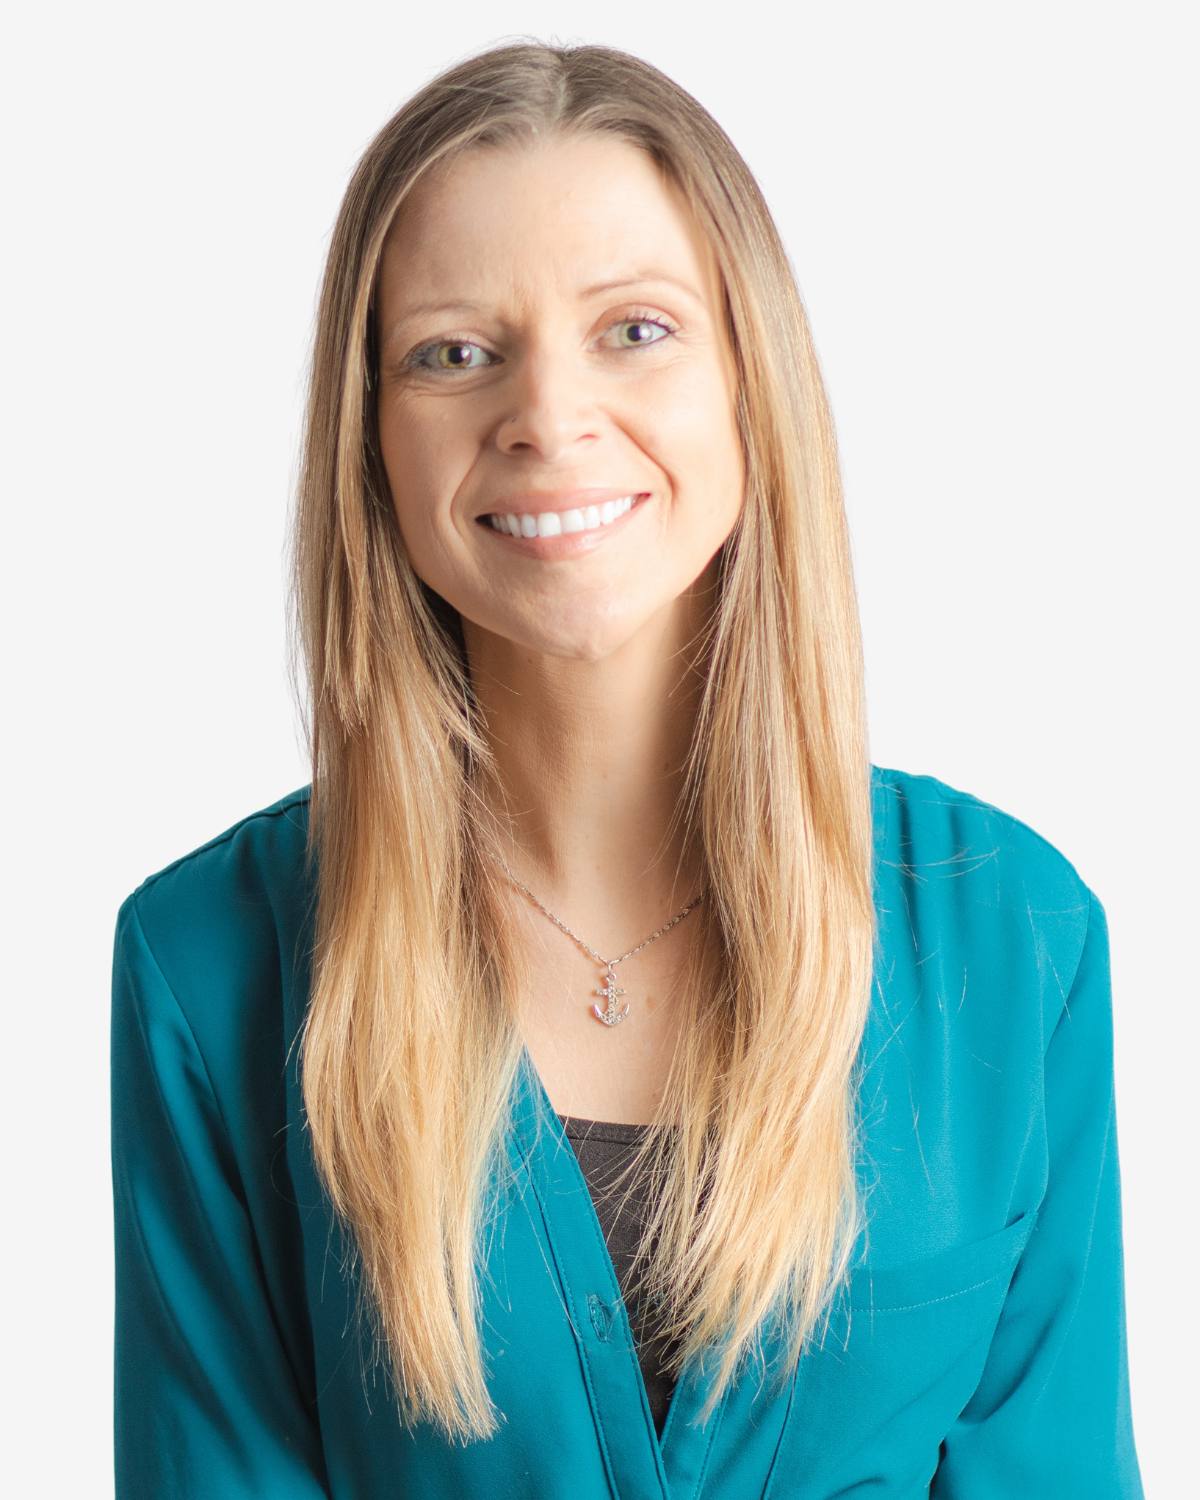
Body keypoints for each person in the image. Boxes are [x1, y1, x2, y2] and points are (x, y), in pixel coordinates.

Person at [109, 39, 1144, 1498]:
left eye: (635, 329)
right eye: (453, 352)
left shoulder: (1016, 941)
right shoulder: (209, 967)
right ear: (372, 443)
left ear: (748, 381)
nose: (547, 415)